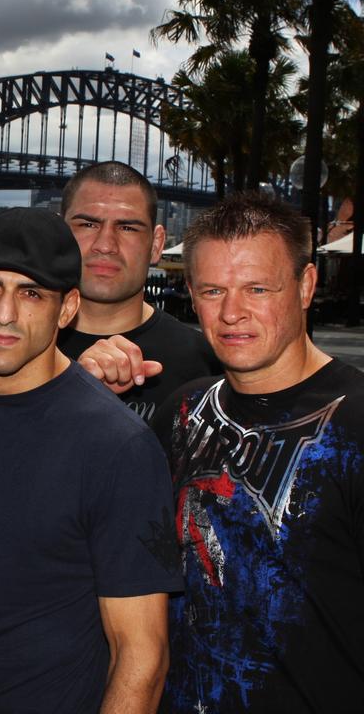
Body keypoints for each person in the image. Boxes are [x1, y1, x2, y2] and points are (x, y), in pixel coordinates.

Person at [0, 208, 182, 713]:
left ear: (67, 309)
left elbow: (142, 656)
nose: (4, 314)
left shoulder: (116, 445)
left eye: (31, 293)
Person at [151, 193, 364, 712]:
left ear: (307, 285)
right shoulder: (180, 413)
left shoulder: (356, 421)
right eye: (212, 290)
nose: (230, 313)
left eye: (258, 288)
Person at [0, 161, 220, 422]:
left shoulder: (201, 363)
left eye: (127, 227)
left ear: (156, 244)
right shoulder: (7, 346)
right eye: (88, 225)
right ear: (59, 234)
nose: (105, 245)